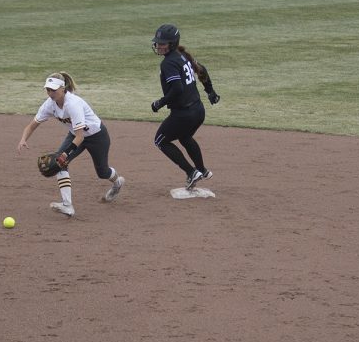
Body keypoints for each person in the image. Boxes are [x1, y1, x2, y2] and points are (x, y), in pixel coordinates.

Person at [16, 72, 124, 217]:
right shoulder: (49, 105)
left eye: (53, 90)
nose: (50, 93)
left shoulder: (73, 104)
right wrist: (23, 139)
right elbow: (31, 125)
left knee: (102, 172)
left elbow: (80, 136)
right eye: (48, 90)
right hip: (75, 136)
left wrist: (65, 154)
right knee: (59, 163)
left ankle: (117, 182)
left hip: (97, 137)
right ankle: (67, 205)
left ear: (63, 88)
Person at [150, 24, 219, 191]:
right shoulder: (182, 56)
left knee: (160, 140)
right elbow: (202, 69)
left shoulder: (168, 63)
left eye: (163, 43)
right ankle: (202, 170)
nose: (159, 46)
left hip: (183, 114)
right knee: (185, 137)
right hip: (198, 111)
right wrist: (211, 92)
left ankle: (191, 172)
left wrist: (160, 102)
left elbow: (177, 88)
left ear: (172, 43)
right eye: (158, 43)